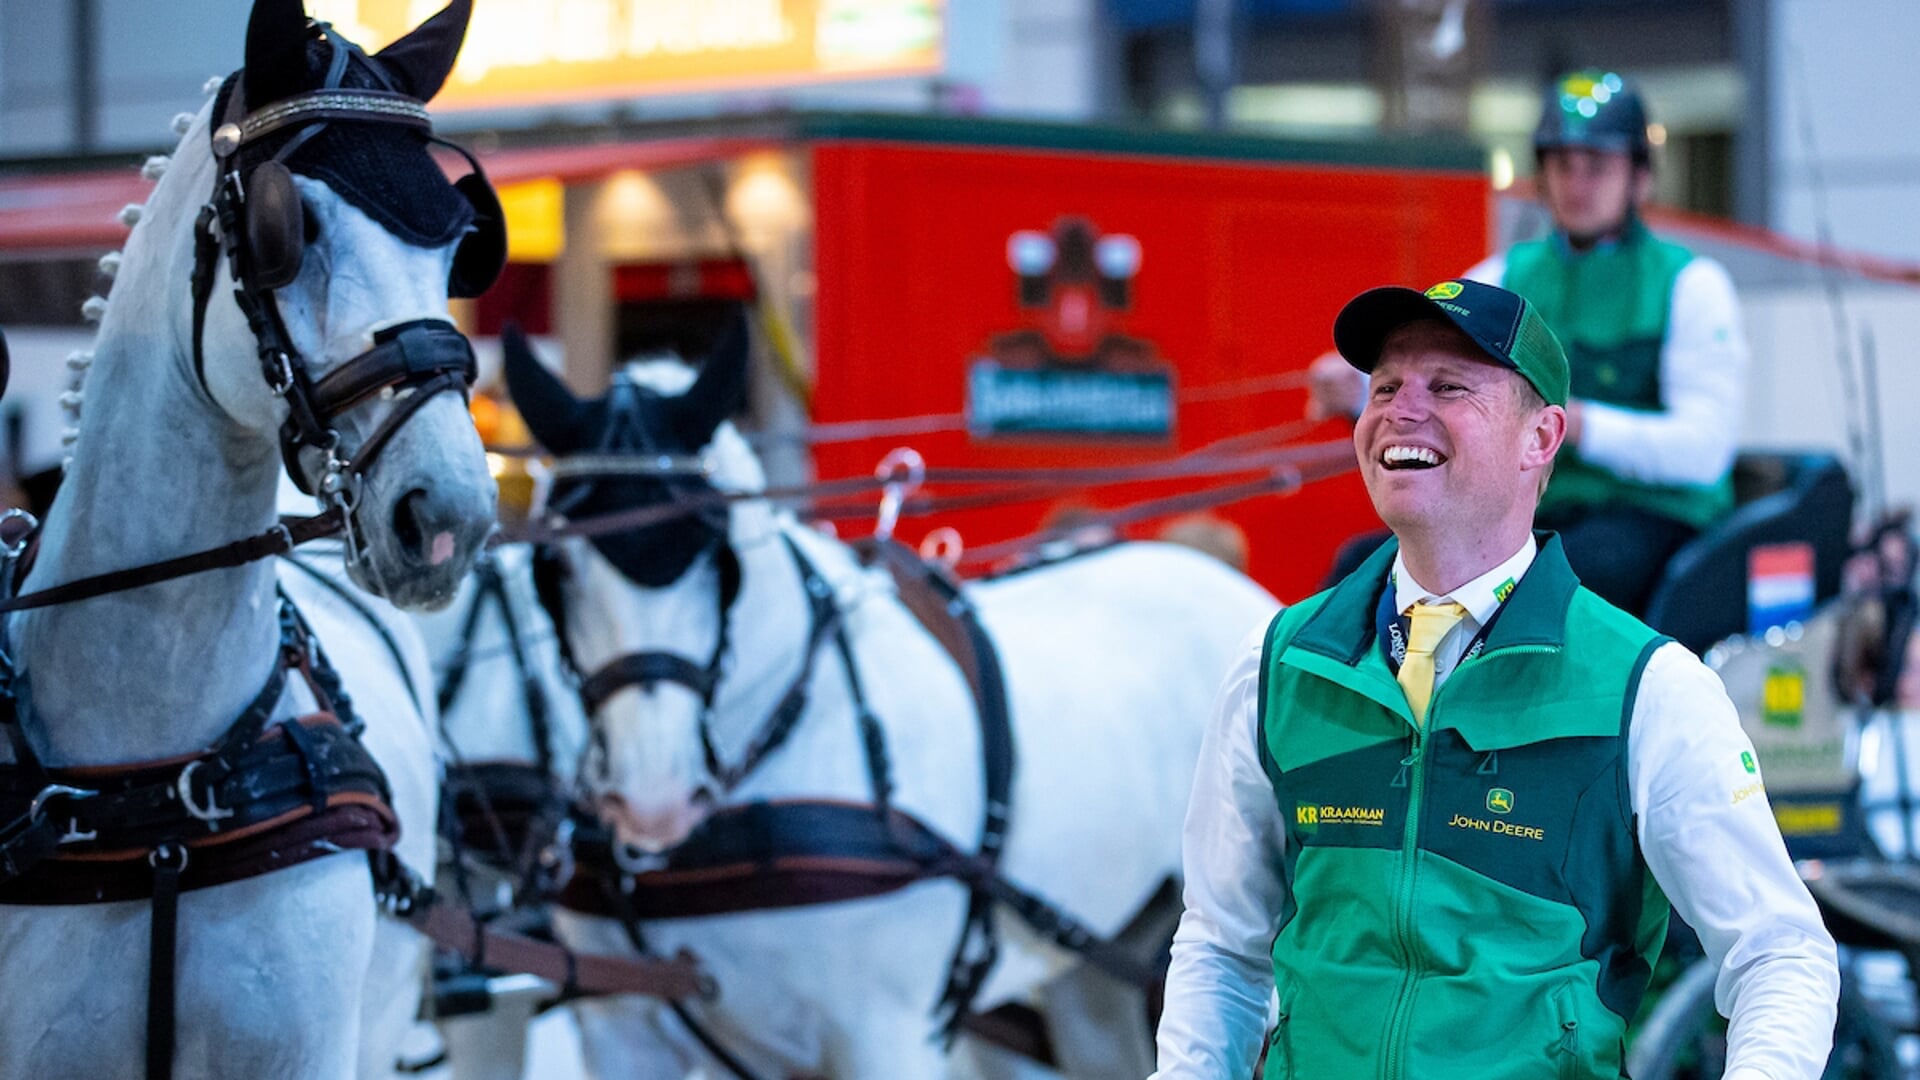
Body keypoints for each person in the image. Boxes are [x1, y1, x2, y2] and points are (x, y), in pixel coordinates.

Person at [1153, 279, 1837, 1079]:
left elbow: (1779, 953)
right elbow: (1221, 948)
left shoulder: (1648, 689)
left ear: (1541, 436)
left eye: (1448, 387)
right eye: (1384, 388)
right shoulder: (1277, 663)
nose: (1402, 411)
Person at [1309, 70, 1748, 614]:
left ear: (1640, 177)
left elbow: (1703, 453)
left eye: (1597, 165)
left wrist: (1580, 424)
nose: (1576, 182)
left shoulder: (1691, 284)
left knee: (1557, 582)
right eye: (1562, 164)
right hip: (1536, 516)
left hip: (1653, 519)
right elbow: (1433, 371)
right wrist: (1354, 390)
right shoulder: (1508, 274)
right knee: (1359, 569)